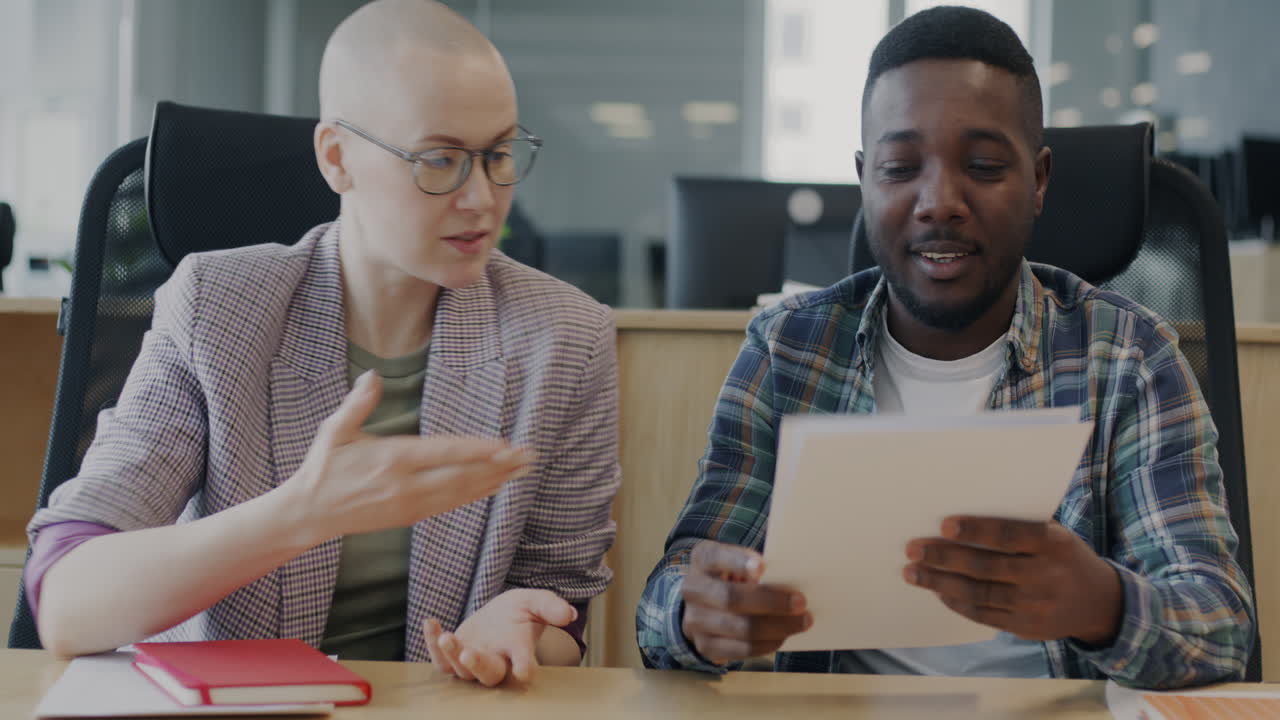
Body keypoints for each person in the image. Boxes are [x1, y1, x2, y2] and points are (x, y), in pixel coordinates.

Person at [637, 6, 1253, 689]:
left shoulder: (1129, 358)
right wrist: (698, 617)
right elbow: (671, 594)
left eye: (985, 166)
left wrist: (1101, 603)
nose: (939, 201)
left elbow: (1220, 630)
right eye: (901, 168)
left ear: (1041, 180)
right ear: (866, 179)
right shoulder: (788, 350)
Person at [26, 0, 620, 688]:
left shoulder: (566, 338)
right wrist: (301, 513)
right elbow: (68, 602)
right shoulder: (218, 308)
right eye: (441, 159)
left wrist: (522, 628)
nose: (482, 198)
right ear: (337, 158)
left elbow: (560, 608)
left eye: (498, 155)